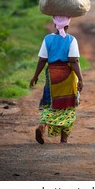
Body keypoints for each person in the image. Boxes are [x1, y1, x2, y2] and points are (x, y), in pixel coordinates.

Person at [30, 16, 84, 144]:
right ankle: (63, 139)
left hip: (52, 75)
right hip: (68, 77)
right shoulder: (71, 40)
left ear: (55, 25)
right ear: (67, 26)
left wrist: (35, 76)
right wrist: (81, 79)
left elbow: (42, 60)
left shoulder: (47, 39)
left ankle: (42, 125)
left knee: (49, 102)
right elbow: (74, 60)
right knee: (68, 105)